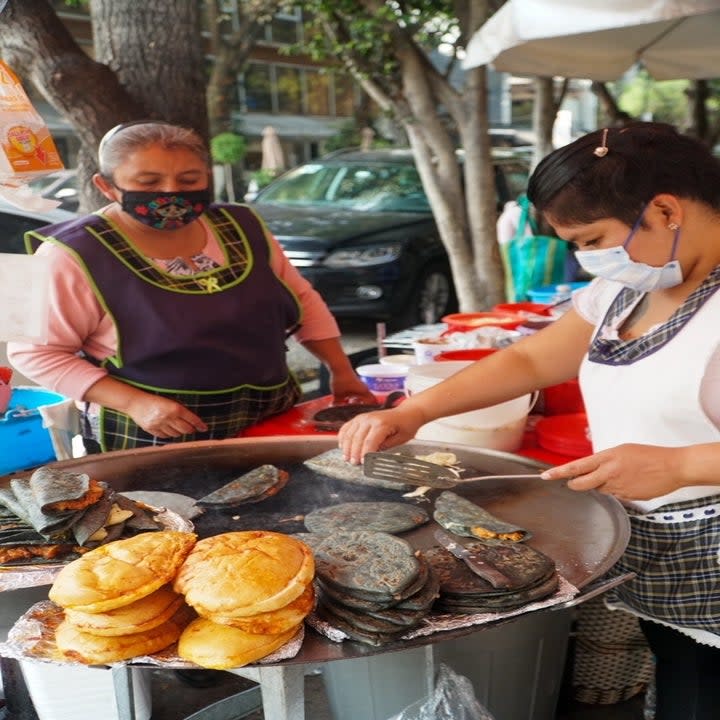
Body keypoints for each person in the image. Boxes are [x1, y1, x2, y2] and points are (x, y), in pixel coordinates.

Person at [339, 121, 720, 719]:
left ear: (667, 209)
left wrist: (681, 464)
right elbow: (531, 357)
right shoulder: (627, 290)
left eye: (594, 239)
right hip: (664, 551)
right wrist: (416, 411)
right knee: (682, 676)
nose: (587, 259)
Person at [8, 121, 375, 452]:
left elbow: (303, 301)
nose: (171, 193)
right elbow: (30, 354)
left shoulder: (243, 224)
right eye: (148, 183)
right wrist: (135, 403)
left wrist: (342, 371)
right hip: (150, 431)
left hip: (269, 415)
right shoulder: (63, 253)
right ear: (106, 186)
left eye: (189, 181)